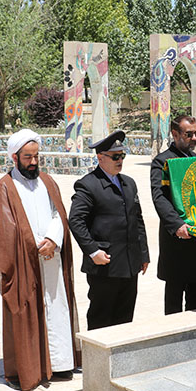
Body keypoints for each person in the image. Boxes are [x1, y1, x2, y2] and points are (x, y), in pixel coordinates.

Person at [0, 129, 80, 391]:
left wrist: (53, 240)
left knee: (56, 308)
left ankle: (60, 363)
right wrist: (33, 246)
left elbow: (59, 215)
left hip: (51, 259)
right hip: (25, 262)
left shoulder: (48, 181)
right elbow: (7, 229)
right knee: (28, 309)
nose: (33, 162)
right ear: (14, 157)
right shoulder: (4, 187)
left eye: (36, 157)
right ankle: (32, 367)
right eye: (27, 157)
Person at [68, 130, 150, 330]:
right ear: (100, 157)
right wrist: (93, 251)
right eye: (115, 157)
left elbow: (137, 219)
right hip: (105, 264)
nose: (119, 160)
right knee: (101, 316)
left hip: (130, 263)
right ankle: (97, 361)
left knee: (125, 316)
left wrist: (143, 254)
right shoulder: (88, 185)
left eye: (122, 155)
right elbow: (75, 220)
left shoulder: (128, 183)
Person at [150, 115, 196, 314]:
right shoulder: (162, 162)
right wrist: (177, 225)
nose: (194, 138)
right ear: (175, 134)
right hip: (177, 241)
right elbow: (159, 197)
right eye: (189, 134)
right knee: (174, 306)